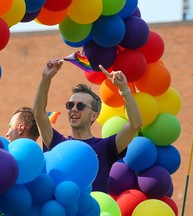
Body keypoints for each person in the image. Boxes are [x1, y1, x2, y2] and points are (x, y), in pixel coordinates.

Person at [33, 59, 142, 193]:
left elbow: (134, 125)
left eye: (81, 106)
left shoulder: (106, 147)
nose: (74, 109)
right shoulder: (58, 143)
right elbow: (39, 114)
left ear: (94, 116)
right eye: (70, 105)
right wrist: (46, 78)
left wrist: (124, 89)